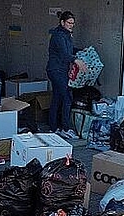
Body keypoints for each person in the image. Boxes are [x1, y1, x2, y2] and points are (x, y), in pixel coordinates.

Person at [46, 11, 87, 139]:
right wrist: (76, 60)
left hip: (59, 70)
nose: (71, 25)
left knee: (58, 98)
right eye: (69, 23)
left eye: (73, 23)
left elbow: (69, 50)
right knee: (67, 97)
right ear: (62, 22)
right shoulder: (58, 35)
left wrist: (81, 51)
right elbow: (64, 54)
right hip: (56, 70)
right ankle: (65, 128)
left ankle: (54, 128)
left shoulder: (66, 34)